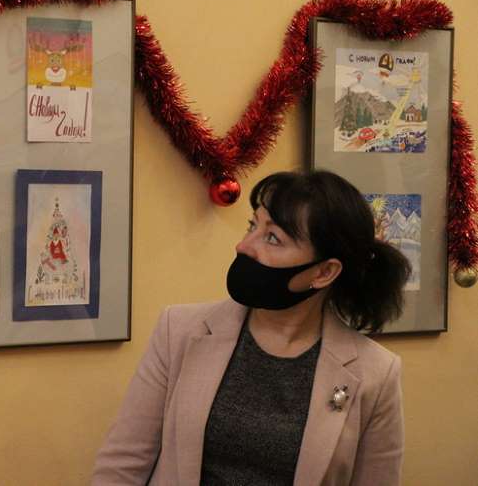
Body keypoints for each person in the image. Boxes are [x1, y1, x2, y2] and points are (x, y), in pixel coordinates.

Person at [92, 170, 411, 486]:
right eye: (252, 225)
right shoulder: (179, 331)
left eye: (272, 238)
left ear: (324, 272)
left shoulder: (376, 374)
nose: (243, 246)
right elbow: (122, 466)